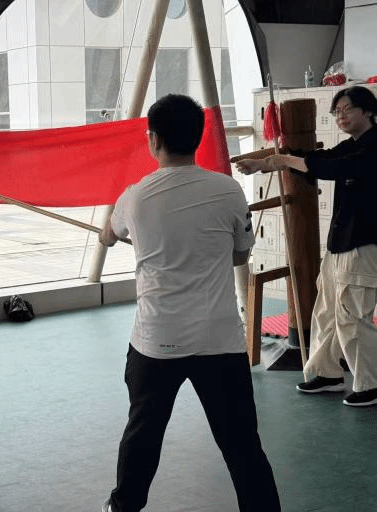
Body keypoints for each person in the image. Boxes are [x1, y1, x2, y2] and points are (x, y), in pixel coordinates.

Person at [99, 94, 280, 512]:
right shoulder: (228, 191)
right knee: (242, 444)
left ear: (153, 139)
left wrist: (109, 235)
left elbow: (110, 234)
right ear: (197, 138)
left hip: (156, 341)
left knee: (143, 435)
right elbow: (239, 255)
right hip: (220, 340)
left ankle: (123, 507)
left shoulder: (134, 197)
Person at [236, 85, 377, 407]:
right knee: (326, 312)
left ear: (368, 111)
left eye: (347, 109)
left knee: (353, 317)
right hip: (341, 245)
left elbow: (339, 168)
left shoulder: (373, 147)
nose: (340, 116)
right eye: (336, 111)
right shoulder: (352, 145)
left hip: (365, 245)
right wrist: (273, 161)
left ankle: (371, 383)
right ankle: (327, 373)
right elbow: (321, 159)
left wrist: (281, 159)